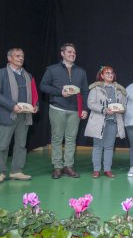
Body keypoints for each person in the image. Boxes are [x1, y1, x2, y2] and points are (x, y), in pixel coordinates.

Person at [40, 43, 88, 179]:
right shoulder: (52, 69)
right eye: (69, 52)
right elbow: (43, 86)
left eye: (74, 52)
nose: (72, 54)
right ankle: (57, 167)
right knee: (56, 138)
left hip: (74, 110)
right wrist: (59, 92)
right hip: (57, 107)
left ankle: (68, 166)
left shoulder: (81, 71)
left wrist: (84, 108)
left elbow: (85, 91)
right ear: (62, 53)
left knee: (71, 138)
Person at [0, 48, 39, 183]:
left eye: (22, 56)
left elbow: (34, 94)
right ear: (9, 58)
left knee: (21, 145)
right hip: (7, 115)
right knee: (2, 146)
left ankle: (16, 171)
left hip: (24, 117)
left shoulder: (28, 75)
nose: (21, 58)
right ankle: (1, 172)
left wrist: (35, 105)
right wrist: (12, 106)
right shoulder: (2, 73)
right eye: (17, 56)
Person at [84, 66, 127, 178]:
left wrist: (122, 109)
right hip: (98, 122)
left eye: (112, 73)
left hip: (113, 121)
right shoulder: (95, 89)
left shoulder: (119, 90)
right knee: (98, 146)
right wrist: (103, 109)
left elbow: (124, 105)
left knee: (109, 147)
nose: (110, 75)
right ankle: (96, 170)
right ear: (102, 76)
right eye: (107, 73)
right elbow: (90, 103)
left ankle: (107, 169)